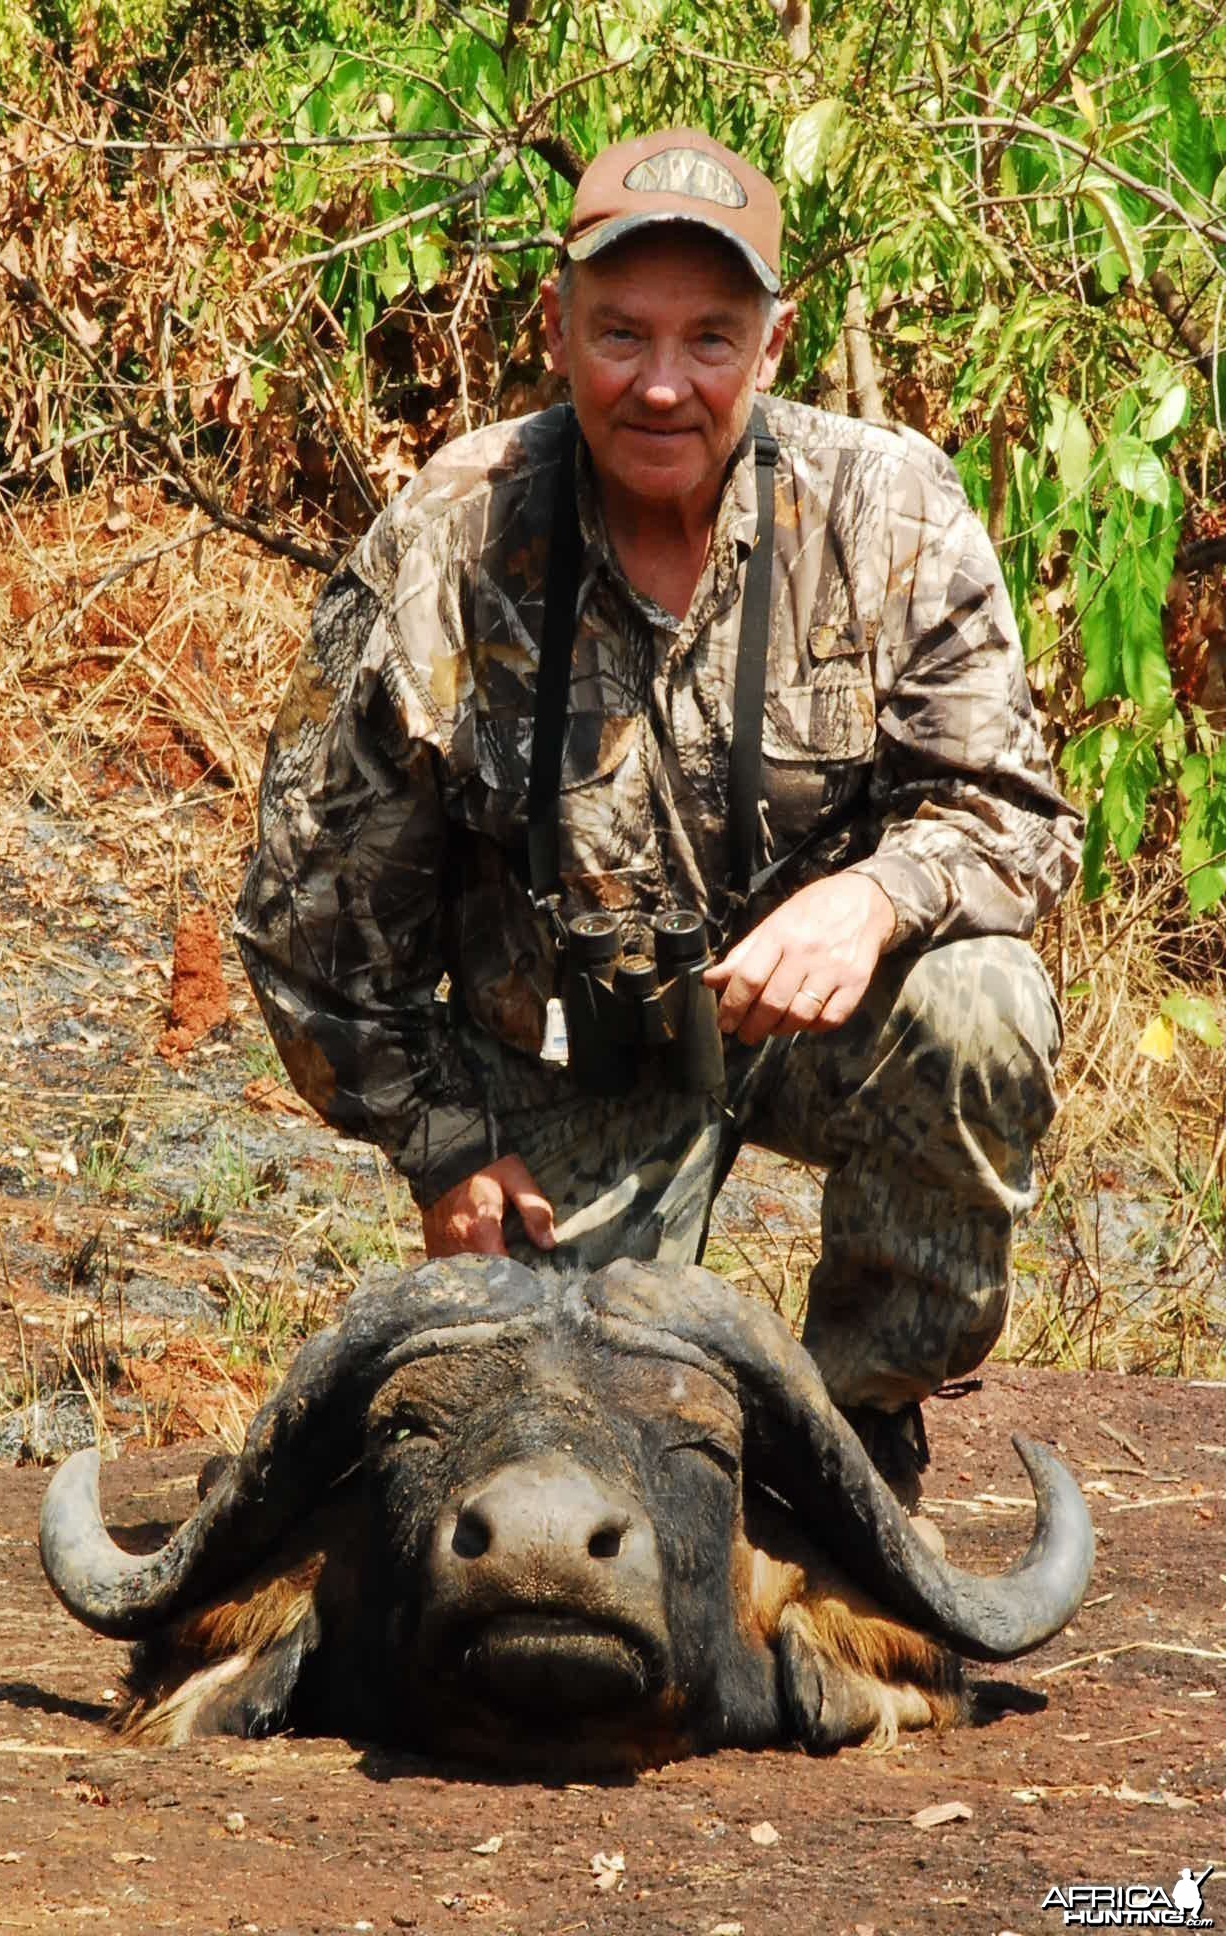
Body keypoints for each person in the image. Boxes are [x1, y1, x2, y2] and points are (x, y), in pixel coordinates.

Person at [235, 128, 1080, 1508]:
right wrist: (444, 1146)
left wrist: (874, 898)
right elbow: (309, 924)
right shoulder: (448, 532)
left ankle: (856, 1430)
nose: (664, 385)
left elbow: (1011, 810)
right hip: (561, 1067)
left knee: (985, 1001)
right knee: (574, 1453)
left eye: (711, 338)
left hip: (815, 1031)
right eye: (621, 334)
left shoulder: (892, 504)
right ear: (557, 326)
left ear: (775, 340)